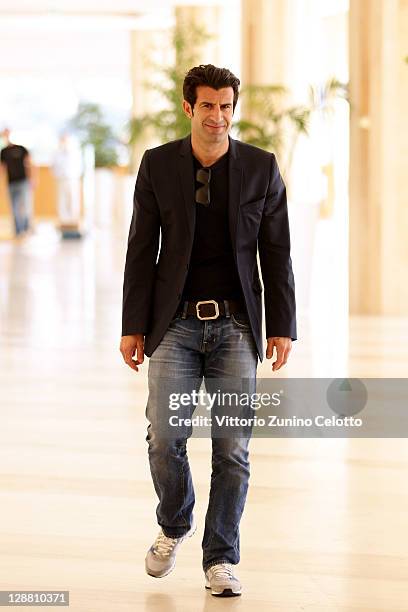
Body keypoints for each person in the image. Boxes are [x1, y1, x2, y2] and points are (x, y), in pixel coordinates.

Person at [120, 64, 297, 597]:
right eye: (207, 107)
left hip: (236, 325)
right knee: (165, 439)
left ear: (232, 109)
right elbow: (139, 249)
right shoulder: (157, 165)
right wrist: (133, 326)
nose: (217, 116)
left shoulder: (262, 168)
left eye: (225, 106)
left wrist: (283, 325)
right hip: (173, 325)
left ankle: (220, 557)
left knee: (233, 449)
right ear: (188, 109)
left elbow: (277, 252)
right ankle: (174, 524)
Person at [0, 128, 34, 237]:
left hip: (23, 181)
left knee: (25, 205)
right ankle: (18, 230)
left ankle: (26, 226)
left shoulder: (22, 149)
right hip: (11, 183)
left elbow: (29, 164)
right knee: (13, 207)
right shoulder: (4, 151)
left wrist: (32, 179)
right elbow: (2, 168)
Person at [52, 132, 83, 227]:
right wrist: (58, 175)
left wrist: (75, 175)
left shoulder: (75, 151)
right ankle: (63, 220)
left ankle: (74, 219)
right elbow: (54, 166)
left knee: (73, 198)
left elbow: (80, 165)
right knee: (62, 199)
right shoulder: (57, 152)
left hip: (72, 178)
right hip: (61, 179)